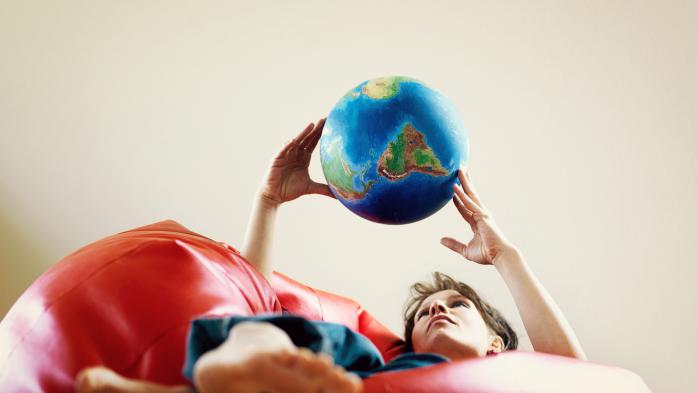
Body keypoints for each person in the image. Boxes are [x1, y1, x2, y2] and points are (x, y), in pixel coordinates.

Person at [75, 118, 586, 393]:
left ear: (497, 343)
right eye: (426, 313)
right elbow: (245, 295)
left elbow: (579, 379)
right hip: (351, 384)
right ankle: (232, 373)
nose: (437, 309)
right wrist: (269, 202)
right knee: (282, 331)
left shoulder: (515, 380)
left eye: (456, 306)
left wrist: (505, 256)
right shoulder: (366, 359)